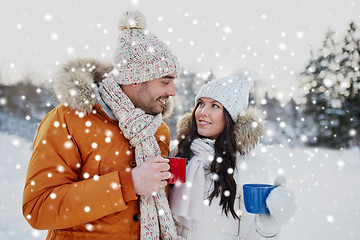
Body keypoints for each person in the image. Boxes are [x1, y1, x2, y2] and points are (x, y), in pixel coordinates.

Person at [22, 10, 182, 240]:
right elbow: (38, 207)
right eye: (165, 81)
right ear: (134, 81)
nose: (172, 92)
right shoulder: (68, 120)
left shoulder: (158, 130)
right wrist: (128, 184)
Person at [169, 75, 296, 239]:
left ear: (231, 117)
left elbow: (252, 236)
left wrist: (269, 225)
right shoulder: (180, 154)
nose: (203, 112)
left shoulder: (250, 166)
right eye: (200, 103)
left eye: (215, 106)